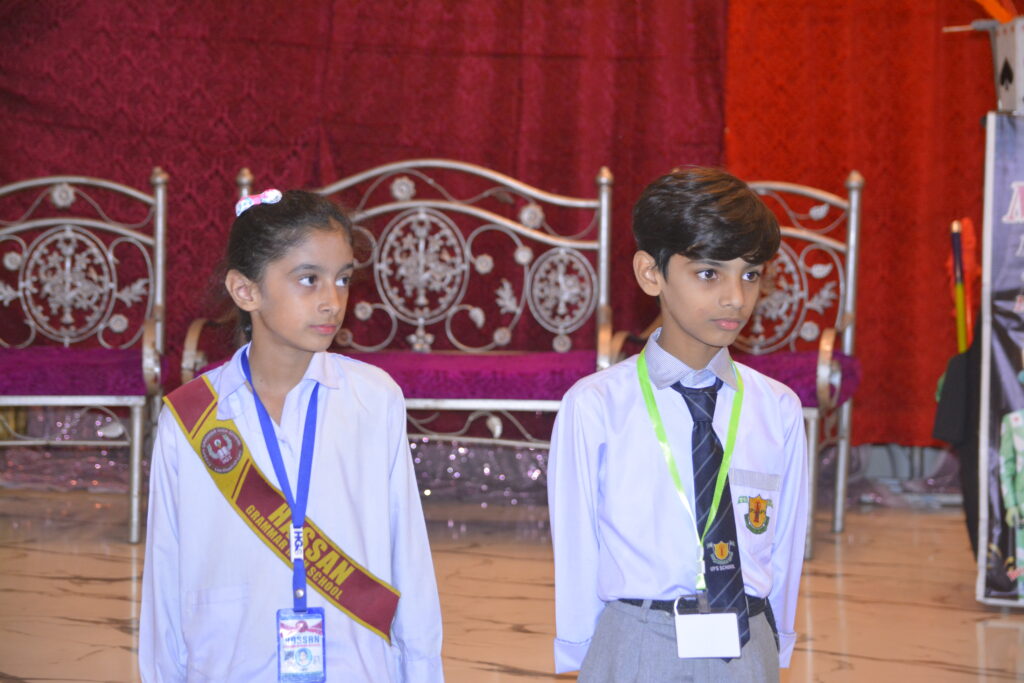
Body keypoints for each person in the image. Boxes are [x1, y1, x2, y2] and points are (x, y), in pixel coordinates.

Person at [139, 189, 444, 682]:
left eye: (342, 279)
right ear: (246, 291)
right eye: (308, 279)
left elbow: (408, 555)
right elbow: (165, 574)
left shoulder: (373, 400)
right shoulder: (191, 418)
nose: (332, 301)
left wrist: (422, 672)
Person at [547, 167, 808, 681]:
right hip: (635, 639)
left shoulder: (777, 408)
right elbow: (576, 551)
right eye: (709, 274)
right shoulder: (596, 406)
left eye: (750, 274)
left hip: (746, 638)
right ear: (651, 273)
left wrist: (774, 644)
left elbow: (785, 547)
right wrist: (580, 653)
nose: (735, 297)